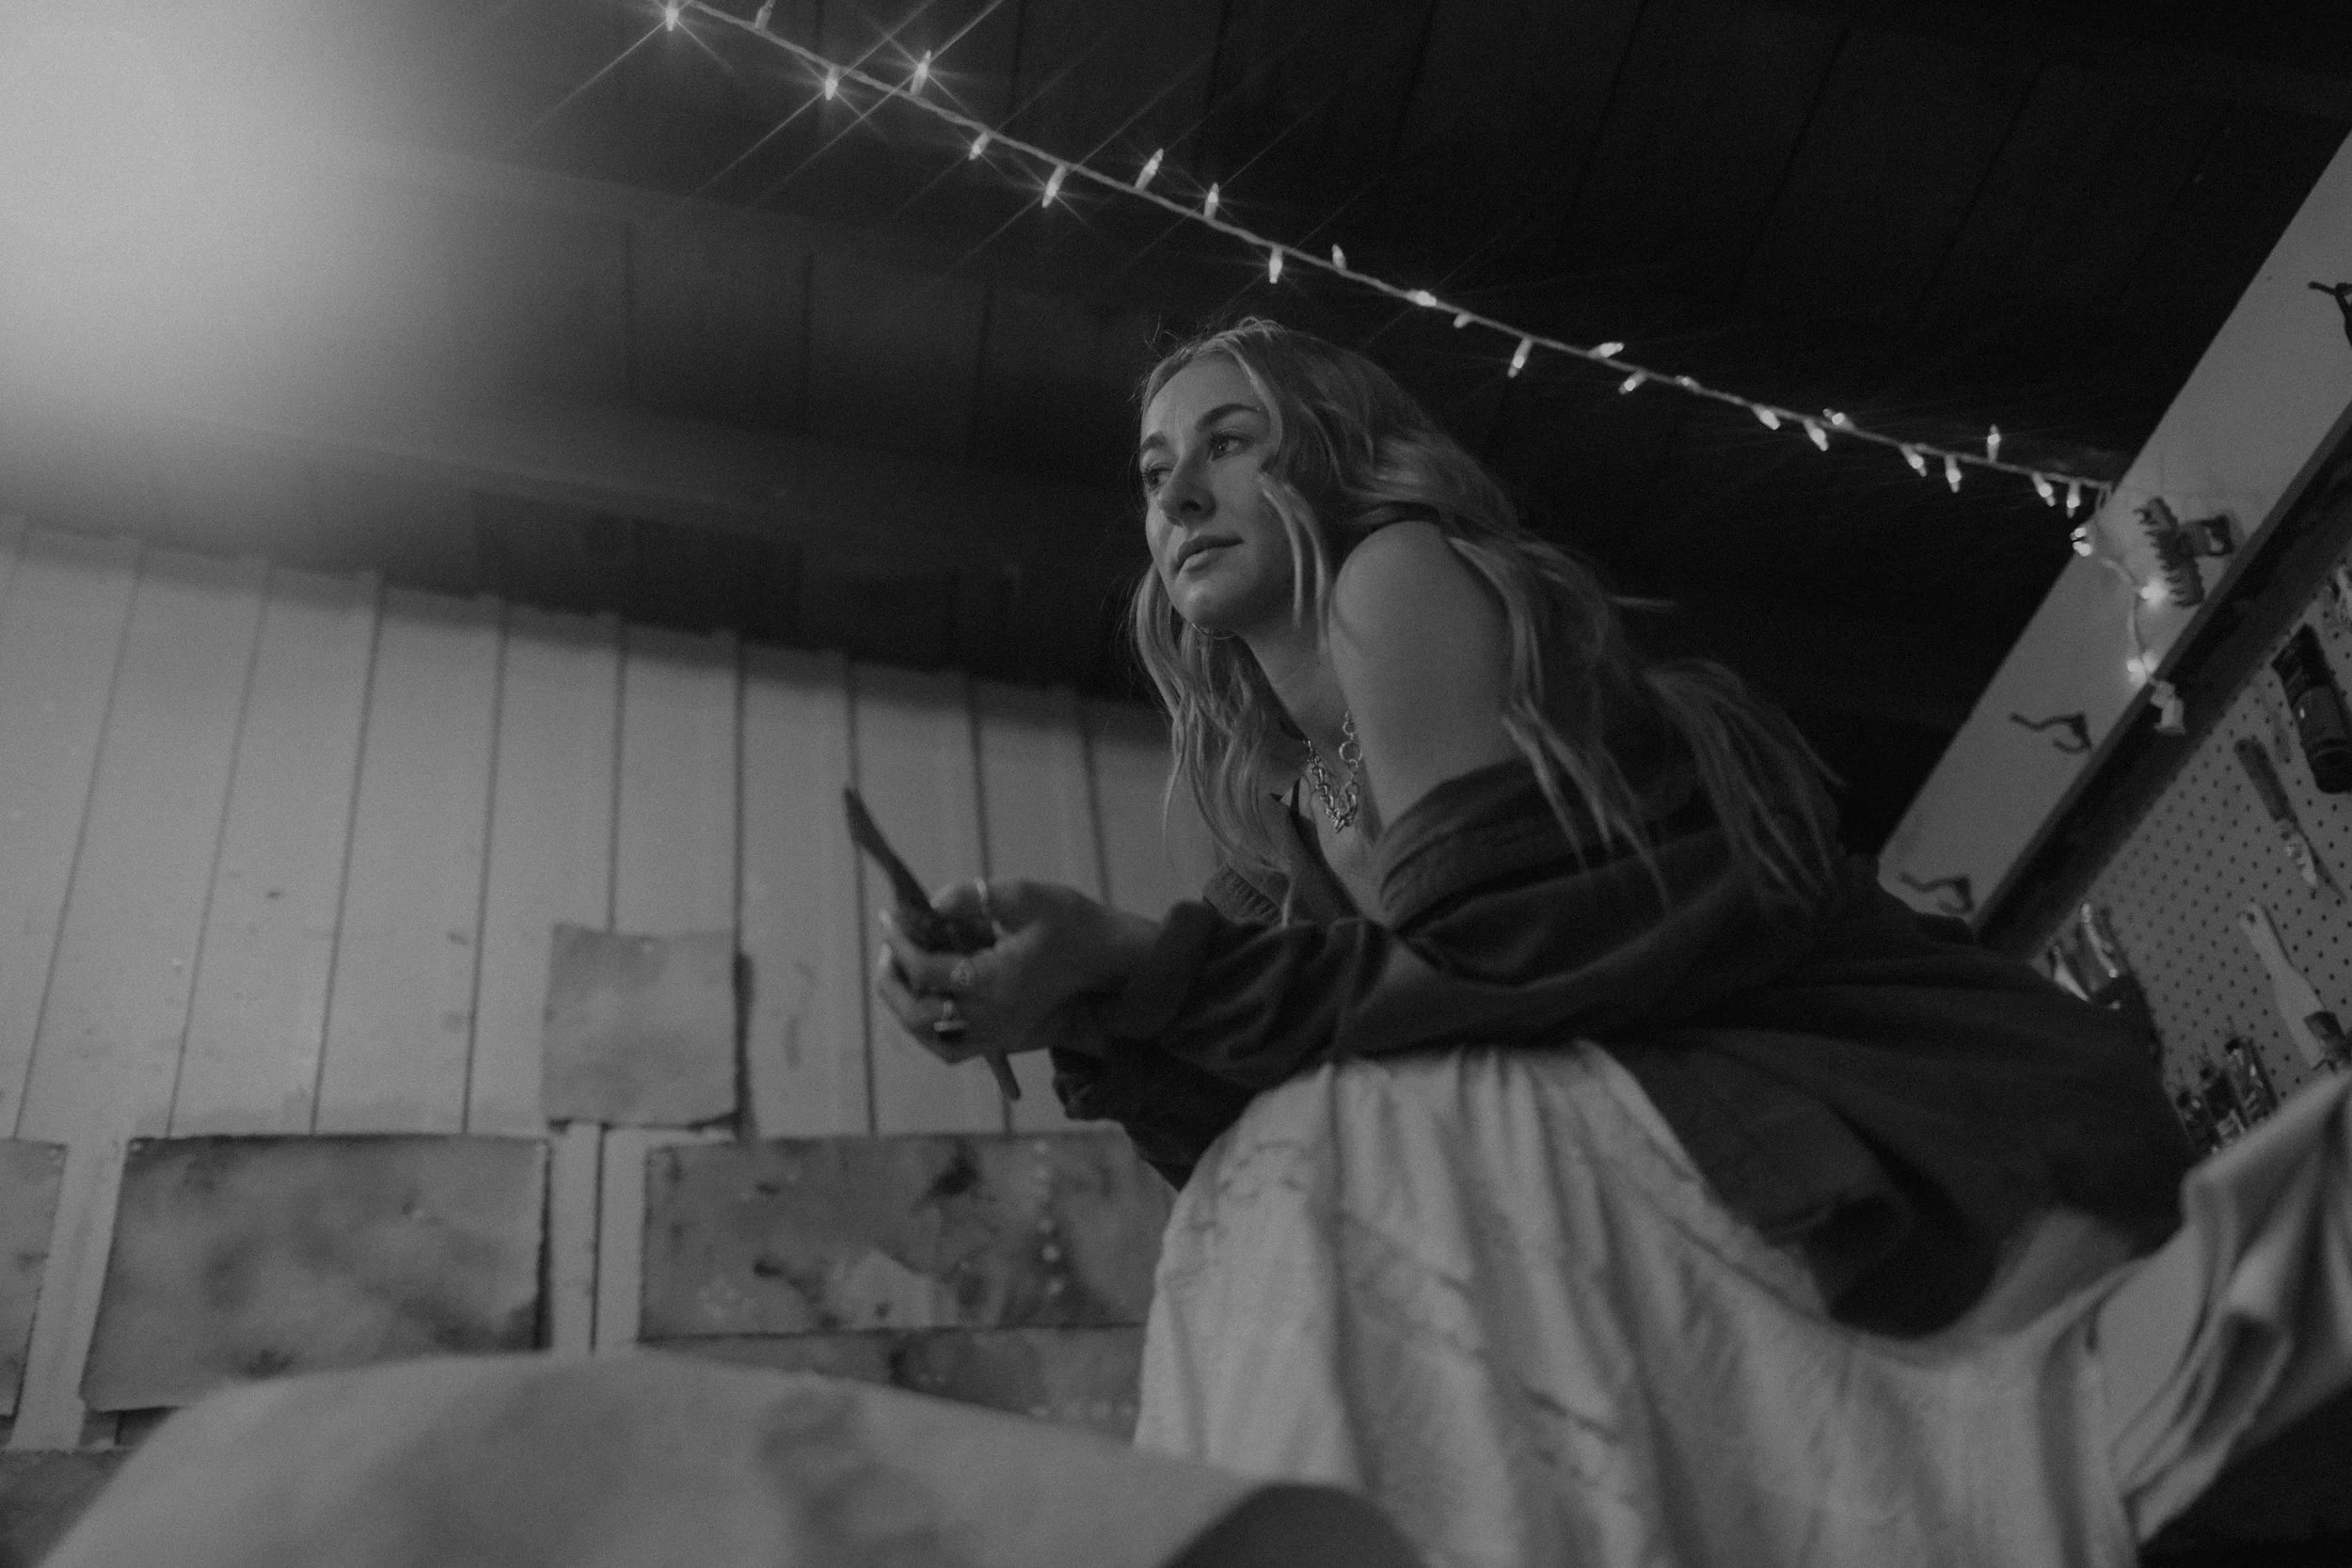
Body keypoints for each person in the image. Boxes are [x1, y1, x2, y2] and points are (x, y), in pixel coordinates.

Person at [875, 318, 2352, 1566]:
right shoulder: (1287, 807)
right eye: (1154, 475)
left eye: (1230, 442)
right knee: (1275, 1191)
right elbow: (1285, 1093)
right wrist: (1079, 1001)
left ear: (1331, 450)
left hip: (1907, 1123)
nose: (1183, 494)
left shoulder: (1397, 576)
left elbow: (1501, 963)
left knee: (1327, 1164)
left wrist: (1136, 966)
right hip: (1715, 1146)